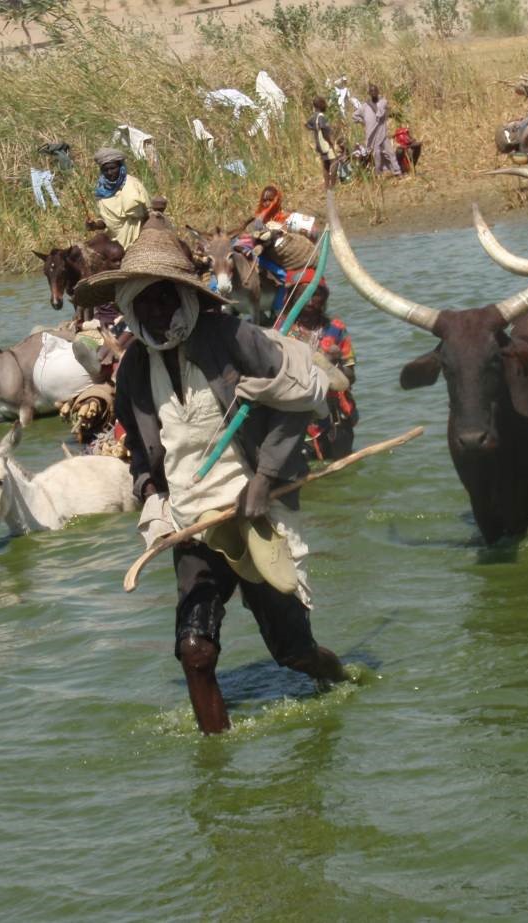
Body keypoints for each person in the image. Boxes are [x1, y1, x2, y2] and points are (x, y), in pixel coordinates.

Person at [75, 204, 348, 735]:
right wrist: (151, 495)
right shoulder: (133, 368)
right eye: (142, 301)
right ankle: (215, 772)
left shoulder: (234, 339)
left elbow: (294, 402)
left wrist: (265, 479)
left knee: (293, 654)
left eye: (164, 297)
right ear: (128, 307)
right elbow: (141, 451)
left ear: (185, 294)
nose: (155, 312)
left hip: (252, 514)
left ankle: (339, 682)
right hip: (192, 526)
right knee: (195, 654)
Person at [286, 284, 358, 460]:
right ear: (292, 298)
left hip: (335, 414)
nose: (310, 301)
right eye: (303, 295)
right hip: (298, 416)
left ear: (324, 299)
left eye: (315, 295)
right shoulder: (283, 330)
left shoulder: (336, 329)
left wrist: (333, 364)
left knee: (341, 466)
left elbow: (350, 376)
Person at [93, 148, 151, 251]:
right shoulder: (101, 192)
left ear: (121, 167)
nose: (110, 173)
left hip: (139, 239)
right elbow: (105, 222)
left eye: (113, 168)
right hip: (113, 247)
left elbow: (149, 212)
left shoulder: (133, 185)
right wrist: (94, 225)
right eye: (105, 170)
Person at [355, 84, 402, 177]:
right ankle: (378, 175)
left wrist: (370, 103)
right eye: (371, 91)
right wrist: (363, 121)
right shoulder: (364, 106)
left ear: (378, 91)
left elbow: (379, 113)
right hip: (372, 136)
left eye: (375, 91)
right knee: (377, 156)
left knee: (390, 152)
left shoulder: (383, 102)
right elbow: (355, 115)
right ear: (369, 93)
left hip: (382, 133)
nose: (373, 93)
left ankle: (398, 172)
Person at [306, 96, 338, 189]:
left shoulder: (313, 116)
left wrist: (314, 129)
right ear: (321, 105)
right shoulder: (321, 117)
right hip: (325, 144)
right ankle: (333, 185)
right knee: (334, 162)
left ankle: (327, 186)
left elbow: (307, 125)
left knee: (326, 164)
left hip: (319, 145)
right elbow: (324, 130)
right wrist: (330, 141)